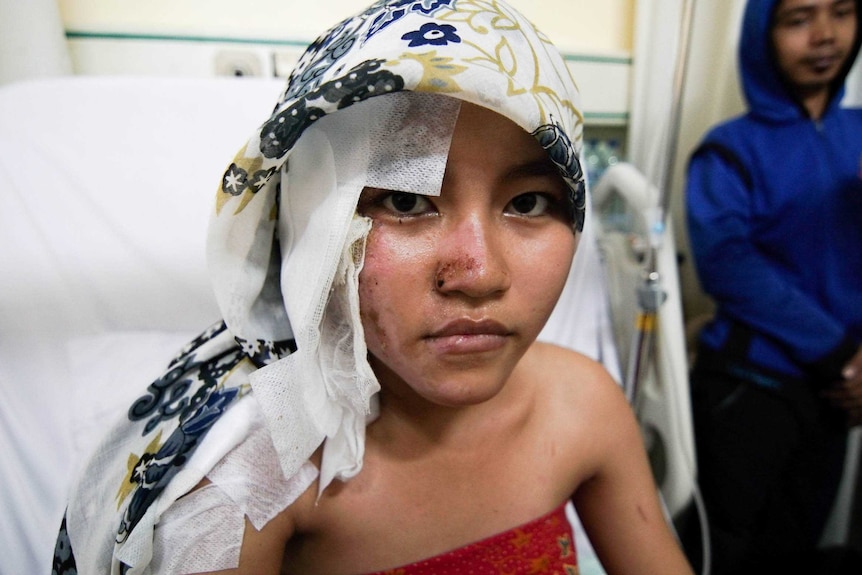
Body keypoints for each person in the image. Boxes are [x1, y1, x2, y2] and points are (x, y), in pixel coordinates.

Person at [52, 1, 693, 573]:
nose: (481, 274)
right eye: (407, 201)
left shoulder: (583, 407)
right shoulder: (254, 476)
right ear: (312, 225)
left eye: (527, 202)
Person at [683, 0, 862, 572]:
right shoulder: (730, 149)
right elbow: (729, 266)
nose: (825, 35)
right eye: (798, 19)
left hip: (835, 394)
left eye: (842, 12)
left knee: (796, 547)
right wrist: (843, 354)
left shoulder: (858, 135)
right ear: (764, 33)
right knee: (723, 551)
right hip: (750, 387)